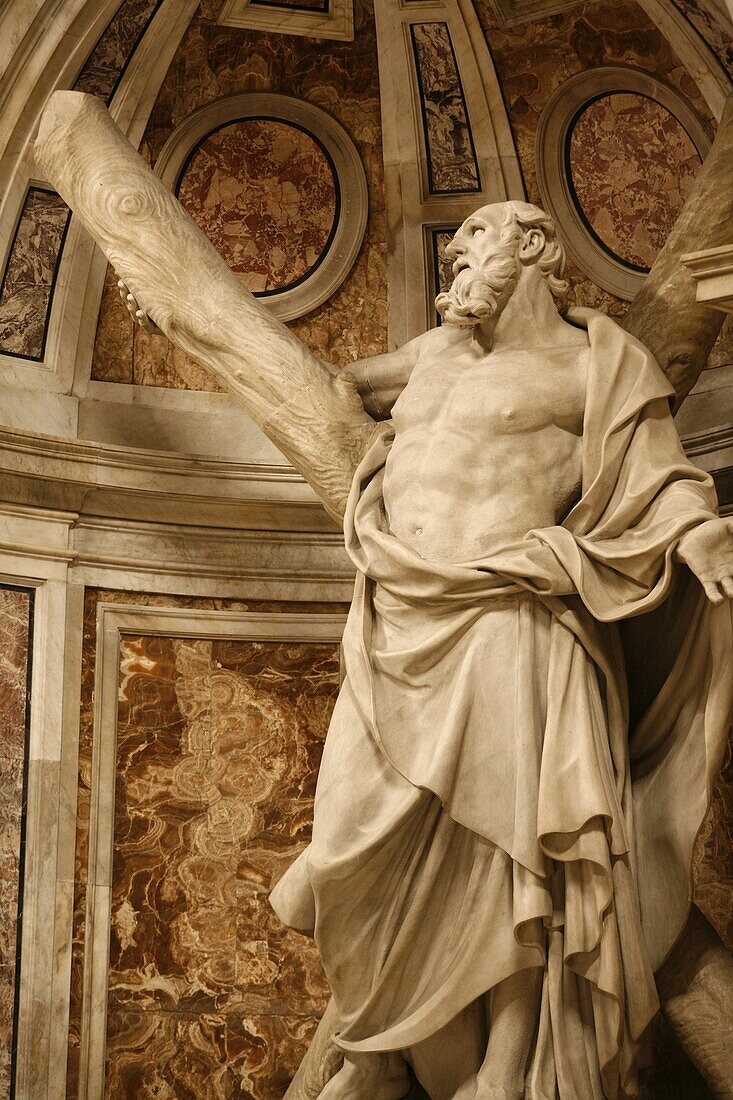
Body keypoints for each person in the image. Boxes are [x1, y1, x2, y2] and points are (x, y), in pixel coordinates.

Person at [123, 201, 733, 1099]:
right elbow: (329, 386)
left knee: (515, 847)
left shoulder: (596, 361)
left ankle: (508, 1065)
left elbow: (658, 478)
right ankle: (380, 1039)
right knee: (351, 833)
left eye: (476, 236)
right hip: (397, 620)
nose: (455, 253)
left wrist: (698, 537)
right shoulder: (429, 356)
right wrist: (174, 313)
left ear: (532, 247)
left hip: (513, 623)